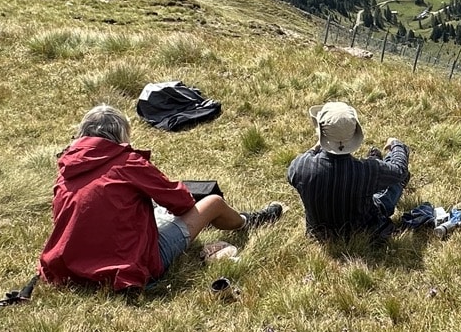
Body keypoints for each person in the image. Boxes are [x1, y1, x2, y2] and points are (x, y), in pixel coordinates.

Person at [38, 105, 283, 290]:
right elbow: (182, 203)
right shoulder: (128, 163)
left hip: (68, 267)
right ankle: (247, 221)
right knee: (213, 203)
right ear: (122, 135)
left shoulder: (67, 169)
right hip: (128, 266)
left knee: (153, 210)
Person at [287, 101, 410, 241]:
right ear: (354, 133)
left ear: (321, 133)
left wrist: (316, 147)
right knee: (390, 187)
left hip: (319, 235)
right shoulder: (367, 171)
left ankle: (377, 160)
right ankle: (383, 165)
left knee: (380, 179)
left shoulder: (300, 166)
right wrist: (397, 145)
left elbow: (292, 174)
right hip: (363, 231)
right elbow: (400, 170)